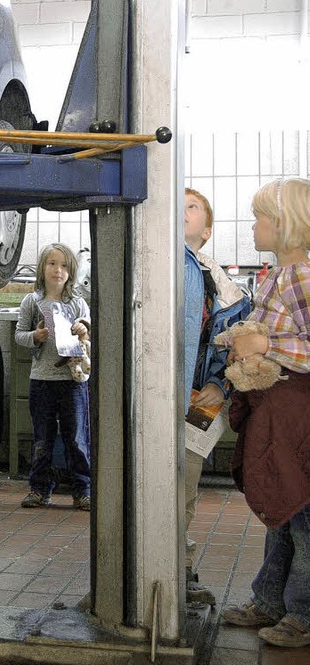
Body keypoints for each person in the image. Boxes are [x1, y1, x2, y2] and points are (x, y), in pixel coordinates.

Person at [220, 178, 310, 649]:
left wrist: (266, 345)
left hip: (299, 415)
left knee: (302, 512)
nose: (253, 226)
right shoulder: (274, 275)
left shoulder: (301, 277)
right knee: (282, 507)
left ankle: (302, 613)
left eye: (259, 218)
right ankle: (271, 600)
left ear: (284, 225)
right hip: (277, 410)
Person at [183, 188, 250, 605]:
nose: (181, 209)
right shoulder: (146, 263)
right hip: (151, 394)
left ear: (206, 231)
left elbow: (233, 344)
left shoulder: (223, 288)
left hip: (198, 400)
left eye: (191, 206)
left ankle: (179, 566)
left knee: (184, 483)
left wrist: (220, 385)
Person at [14, 242, 91, 511]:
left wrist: (83, 329)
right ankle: (39, 489)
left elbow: (88, 330)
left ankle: (83, 490)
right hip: (42, 380)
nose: (57, 270)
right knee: (42, 438)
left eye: (64, 265)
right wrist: (35, 337)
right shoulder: (31, 301)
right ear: (42, 268)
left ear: (71, 271)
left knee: (77, 438)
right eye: (52, 264)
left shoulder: (77, 303)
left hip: (73, 380)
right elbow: (19, 335)